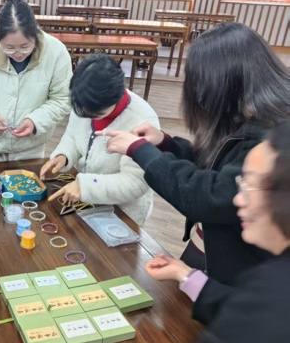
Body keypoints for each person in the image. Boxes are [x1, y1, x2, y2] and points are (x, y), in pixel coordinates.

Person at [102, 22, 290, 284]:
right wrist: (166, 144)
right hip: (212, 248)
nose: (199, 94)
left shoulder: (274, 136)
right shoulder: (252, 114)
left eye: (202, 84)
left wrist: (142, 152)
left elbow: (211, 197)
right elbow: (216, 168)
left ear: (227, 80)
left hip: (243, 272)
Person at [145, 119, 290, 343]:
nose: (237, 198)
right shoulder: (271, 286)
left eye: (251, 185)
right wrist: (186, 276)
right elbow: (244, 308)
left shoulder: (271, 287)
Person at [40, 54, 160, 226]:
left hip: (122, 213)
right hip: (85, 204)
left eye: (95, 113)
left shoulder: (142, 122)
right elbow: (73, 135)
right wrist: (64, 155)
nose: (88, 116)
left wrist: (86, 186)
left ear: (116, 97)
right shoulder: (84, 99)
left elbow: (135, 182)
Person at [0, 0, 72, 162]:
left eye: (25, 46)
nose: (17, 54)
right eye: (9, 48)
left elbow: (62, 98)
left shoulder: (56, 52)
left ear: (35, 35)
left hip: (30, 147)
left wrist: (36, 121)